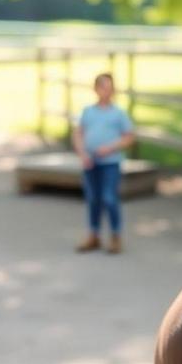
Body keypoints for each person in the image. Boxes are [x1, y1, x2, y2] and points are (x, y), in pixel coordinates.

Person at [72, 72, 135, 254]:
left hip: (110, 162)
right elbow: (78, 133)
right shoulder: (88, 112)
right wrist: (82, 153)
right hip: (90, 162)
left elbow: (129, 137)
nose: (105, 92)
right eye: (102, 88)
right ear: (96, 89)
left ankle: (115, 235)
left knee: (109, 197)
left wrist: (111, 147)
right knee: (93, 199)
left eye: (109, 88)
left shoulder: (118, 114)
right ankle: (94, 234)